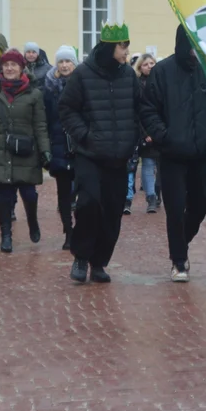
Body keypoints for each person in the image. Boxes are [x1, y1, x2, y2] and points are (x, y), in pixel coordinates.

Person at [59, 23, 141, 284]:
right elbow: (67, 109)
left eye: (127, 45)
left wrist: (134, 139)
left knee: (113, 211)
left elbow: (139, 109)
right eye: (122, 45)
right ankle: (81, 257)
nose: (126, 51)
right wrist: (85, 135)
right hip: (90, 155)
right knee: (88, 204)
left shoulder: (129, 75)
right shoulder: (82, 74)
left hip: (119, 157)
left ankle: (99, 262)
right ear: (108, 47)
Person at [140, 25, 206, 282]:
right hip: (173, 154)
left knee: (200, 204)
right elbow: (148, 108)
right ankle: (178, 261)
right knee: (175, 209)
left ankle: (181, 244)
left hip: (200, 154)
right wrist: (164, 136)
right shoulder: (162, 71)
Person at [0, 49, 51, 253]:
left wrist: (45, 151)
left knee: (29, 194)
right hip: (0, 150)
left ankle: (33, 221)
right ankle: (6, 236)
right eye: (6, 65)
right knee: (3, 196)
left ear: (21, 68)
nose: (9, 68)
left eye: (14, 65)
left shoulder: (34, 94)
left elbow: (40, 126)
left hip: (25, 151)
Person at [43, 45, 78, 250]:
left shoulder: (83, 83)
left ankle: (81, 227)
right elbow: (46, 119)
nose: (64, 65)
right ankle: (68, 230)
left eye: (68, 61)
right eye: (61, 62)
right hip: (58, 144)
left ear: (74, 63)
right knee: (63, 193)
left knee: (82, 191)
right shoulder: (49, 88)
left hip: (80, 145)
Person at [127, 53, 158, 214]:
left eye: (152, 63)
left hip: (155, 131)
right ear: (140, 67)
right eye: (146, 64)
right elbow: (137, 111)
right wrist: (145, 132)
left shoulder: (160, 83)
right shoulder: (136, 84)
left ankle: (154, 196)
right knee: (138, 166)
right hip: (139, 132)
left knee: (154, 165)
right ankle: (138, 198)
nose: (149, 66)